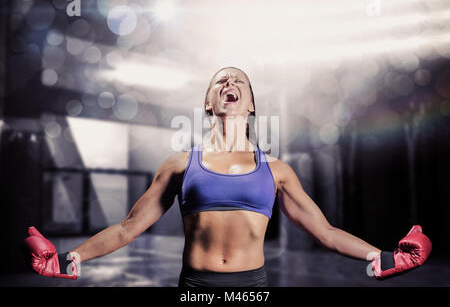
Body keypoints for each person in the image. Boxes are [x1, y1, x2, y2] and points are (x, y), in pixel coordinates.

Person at [24, 67, 432, 286]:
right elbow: (129, 228)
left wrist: (386, 256)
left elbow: (324, 232)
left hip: (251, 287)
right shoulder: (180, 164)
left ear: (251, 103)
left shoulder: (277, 171)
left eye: (239, 81)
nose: (229, 83)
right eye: (221, 80)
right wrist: (67, 258)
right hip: (196, 288)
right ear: (208, 101)